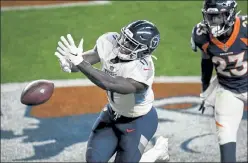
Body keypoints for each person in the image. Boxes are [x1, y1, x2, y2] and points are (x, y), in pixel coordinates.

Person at [54, 20, 169, 162]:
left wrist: (80, 63)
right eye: (125, 38)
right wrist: (71, 63)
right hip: (111, 115)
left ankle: (156, 153)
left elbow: (109, 83)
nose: (123, 44)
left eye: (131, 44)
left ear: (144, 51)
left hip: (139, 122)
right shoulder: (109, 41)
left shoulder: (142, 71)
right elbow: (89, 59)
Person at [191, 0, 247, 162]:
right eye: (210, 16)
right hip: (228, 89)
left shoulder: (245, 28)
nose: (213, 21)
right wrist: (206, 88)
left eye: (218, 16)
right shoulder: (201, 34)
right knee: (225, 136)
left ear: (229, 14)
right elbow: (206, 61)